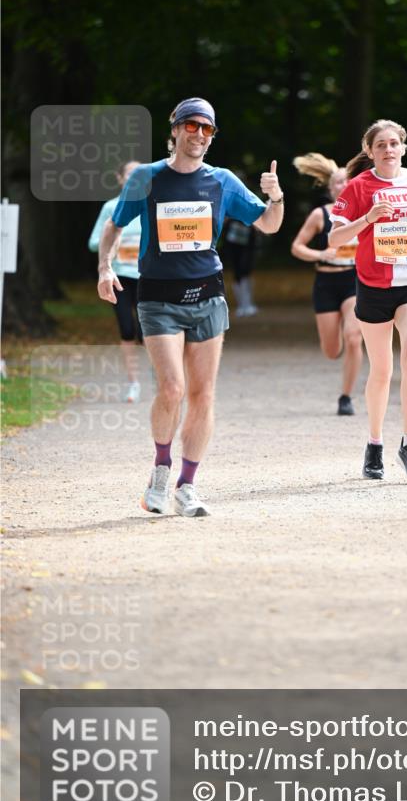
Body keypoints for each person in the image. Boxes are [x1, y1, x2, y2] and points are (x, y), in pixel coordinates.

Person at [96, 98, 284, 517]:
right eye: (192, 126)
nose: (199, 135)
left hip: (208, 296)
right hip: (158, 296)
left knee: (203, 395)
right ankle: (161, 469)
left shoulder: (222, 181)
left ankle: (187, 485)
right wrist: (105, 267)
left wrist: (277, 198)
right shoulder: (146, 177)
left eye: (207, 129)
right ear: (176, 129)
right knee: (173, 389)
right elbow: (115, 223)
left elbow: (269, 224)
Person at [329, 119, 407, 479]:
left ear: (403, 148)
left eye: (394, 143)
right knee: (382, 369)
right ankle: (374, 444)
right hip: (374, 286)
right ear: (369, 151)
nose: (389, 150)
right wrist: (367, 218)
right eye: (381, 145)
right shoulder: (358, 186)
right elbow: (334, 239)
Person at [291, 153, 363, 416]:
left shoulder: (364, 213)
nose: (342, 186)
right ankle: (337, 342)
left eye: (346, 182)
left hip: (354, 280)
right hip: (326, 282)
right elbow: (297, 247)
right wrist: (320, 254)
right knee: (332, 351)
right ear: (331, 188)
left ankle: (346, 396)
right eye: (337, 183)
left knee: (354, 337)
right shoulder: (320, 215)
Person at [88, 160, 143, 402]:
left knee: (150, 331)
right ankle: (134, 383)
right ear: (120, 179)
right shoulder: (111, 207)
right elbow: (93, 242)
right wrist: (115, 243)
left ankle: (164, 381)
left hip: (148, 277)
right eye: (129, 175)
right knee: (127, 329)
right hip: (119, 277)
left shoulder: (150, 205)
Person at [225, 217, 258, 316]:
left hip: (247, 248)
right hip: (233, 248)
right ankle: (241, 305)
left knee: (245, 273)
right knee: (237, 275)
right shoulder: (231, 216)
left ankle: (248, 304)